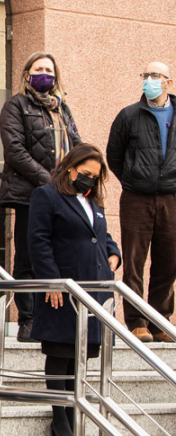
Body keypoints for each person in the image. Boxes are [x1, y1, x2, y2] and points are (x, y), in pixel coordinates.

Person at [28, 143, 120, 436]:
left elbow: (102, 237)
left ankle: (70, 415)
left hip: (94, 291)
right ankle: (61, 420)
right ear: (70, 168)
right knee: (60, 352)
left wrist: (114, 254)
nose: (90, 180)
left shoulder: (94, 202)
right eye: (85, 173)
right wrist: (51, 280)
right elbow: (38, 242)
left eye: (95, 176)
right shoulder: (47, 196)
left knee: (79, 356)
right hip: (63, 287)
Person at [0, 52, 81, 342]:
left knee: (58, 255)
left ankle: (54, 320)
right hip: (30, 195)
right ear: (27, 74)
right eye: (39, 68)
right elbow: (15, 151)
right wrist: (50, 180)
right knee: (28, 257)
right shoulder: (16, 106)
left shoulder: (63, 109)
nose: (44, 73)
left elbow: (77, 147)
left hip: (63, 195)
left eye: (49, 69)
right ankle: (28, 320)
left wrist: (77, 177)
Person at [107, 61, 176, 343]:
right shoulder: (129, 115)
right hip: (136, 197)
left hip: (172, 196)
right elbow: (114, 155)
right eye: (145, 75)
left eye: (155, 75)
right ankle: (137, 322)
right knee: (134, 261)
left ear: (169, 82)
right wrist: (133, 180)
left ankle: (161, 321)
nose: (149, 80)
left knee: (169, 261)